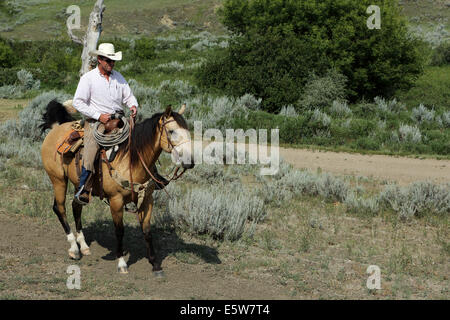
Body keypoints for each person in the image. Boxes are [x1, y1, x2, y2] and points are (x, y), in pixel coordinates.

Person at [73, 43, 167, 205]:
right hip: (96, 122)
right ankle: (84, 188)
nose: (111, 64)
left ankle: (152, 176)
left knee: (141, 142)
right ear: (100, 60)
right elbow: (78, 102)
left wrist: (133, 106)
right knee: (91, 149)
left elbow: (129, 96)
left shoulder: (118, 77)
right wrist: (98, 115)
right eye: (108, 60)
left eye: (113, 61)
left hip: (119, 121)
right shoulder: (88, 79)